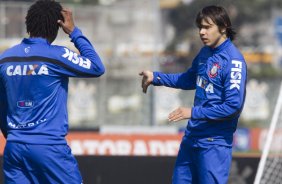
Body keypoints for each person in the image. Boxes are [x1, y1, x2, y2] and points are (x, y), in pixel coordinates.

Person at [0, 0, 105, 183]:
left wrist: (13, 136)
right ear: (58, 26)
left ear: (28, 23)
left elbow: (2, 106)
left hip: (14, 148)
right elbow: (97, 67)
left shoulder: (5, 58)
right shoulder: (56, 55)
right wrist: (74, 32)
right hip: (49, 148)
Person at [140, 5, 247, 184]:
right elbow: (188, 79)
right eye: (200, 27)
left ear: (223, 27)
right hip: (192, 137)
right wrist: (156, 77)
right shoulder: (205, 53)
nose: (201, 32)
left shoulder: (233, 61)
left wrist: (192, 112)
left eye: (207, 27)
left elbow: (233, 106)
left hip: (214, 143)